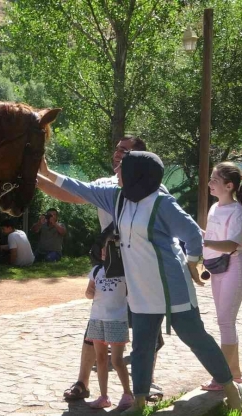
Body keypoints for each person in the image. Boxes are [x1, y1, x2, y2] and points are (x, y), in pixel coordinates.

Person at [39, 151, 242, 415]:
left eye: (122, 168)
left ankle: (230, 388)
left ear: (138, 173)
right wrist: (46, 171)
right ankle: (138, 402)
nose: (117, 173)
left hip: (172, 287)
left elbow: (193, 233)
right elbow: (81, 188)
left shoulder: (162, 203)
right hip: (140, 290)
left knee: (196, 338)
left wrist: (192, 263)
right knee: (141, 347)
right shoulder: (117, 197)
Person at [62, 136, 164, 402]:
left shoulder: (156, 189)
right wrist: (37, 175)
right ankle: (83, 383)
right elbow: (70, 193)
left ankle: (147, 384)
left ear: (141, 158)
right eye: (117, 148)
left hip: (142, 268)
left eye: (126, 150)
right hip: (110, 265)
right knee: (95, 326)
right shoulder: (106, 184)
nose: (118, 153)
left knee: (146, 328)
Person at [200, 162, 242, 390]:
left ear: (229, 185)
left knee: (225, 321)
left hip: (234, 268)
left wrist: (203, 241)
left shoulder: (237, 212)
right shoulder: (215, 208)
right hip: (217, 269)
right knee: (224, 321)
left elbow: (232, 244)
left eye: (214, 179)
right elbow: (211, 237)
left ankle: (224, 378)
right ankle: (235, 373)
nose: (210, 183)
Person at [84, 249, 134, 410]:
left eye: (110, 247)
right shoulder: (97, 270)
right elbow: (88, 293)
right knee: (100, 359)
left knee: (117, 360)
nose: (105, 251)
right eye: (104, 248)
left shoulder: (126, 271)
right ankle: (104, 396)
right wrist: (89, 292)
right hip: (97, 318)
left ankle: (128, 394)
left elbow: (132, 294)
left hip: (117, 320)